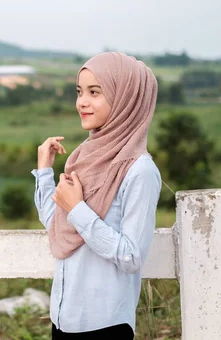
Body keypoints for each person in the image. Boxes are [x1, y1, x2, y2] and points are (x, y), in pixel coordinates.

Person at [32, 52, 161, 339]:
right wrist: (44, 172)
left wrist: (78, 208)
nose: (82, 102)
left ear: (125, 98)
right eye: (79, 92)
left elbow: (131, 256)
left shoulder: (140, 171)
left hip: (104, 324)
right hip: (63, 317)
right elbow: (58, 226)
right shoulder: (84, 158)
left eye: (95, 92)